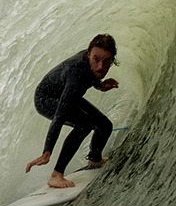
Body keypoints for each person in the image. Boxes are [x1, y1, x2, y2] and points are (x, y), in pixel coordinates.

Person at [26, 33, 119, 188]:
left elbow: (92, 73)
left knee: (104, 125)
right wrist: (47, 151)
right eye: (96, 59)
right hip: (46, 98)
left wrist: (99, 85)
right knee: (84, 124)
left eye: (106, 61)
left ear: (112, 59)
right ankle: (56, 175)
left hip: (67, 93)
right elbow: (59, 117)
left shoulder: (93, 61)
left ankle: (95, 160)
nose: (100, 66)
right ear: (88, 55)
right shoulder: (76, 73)